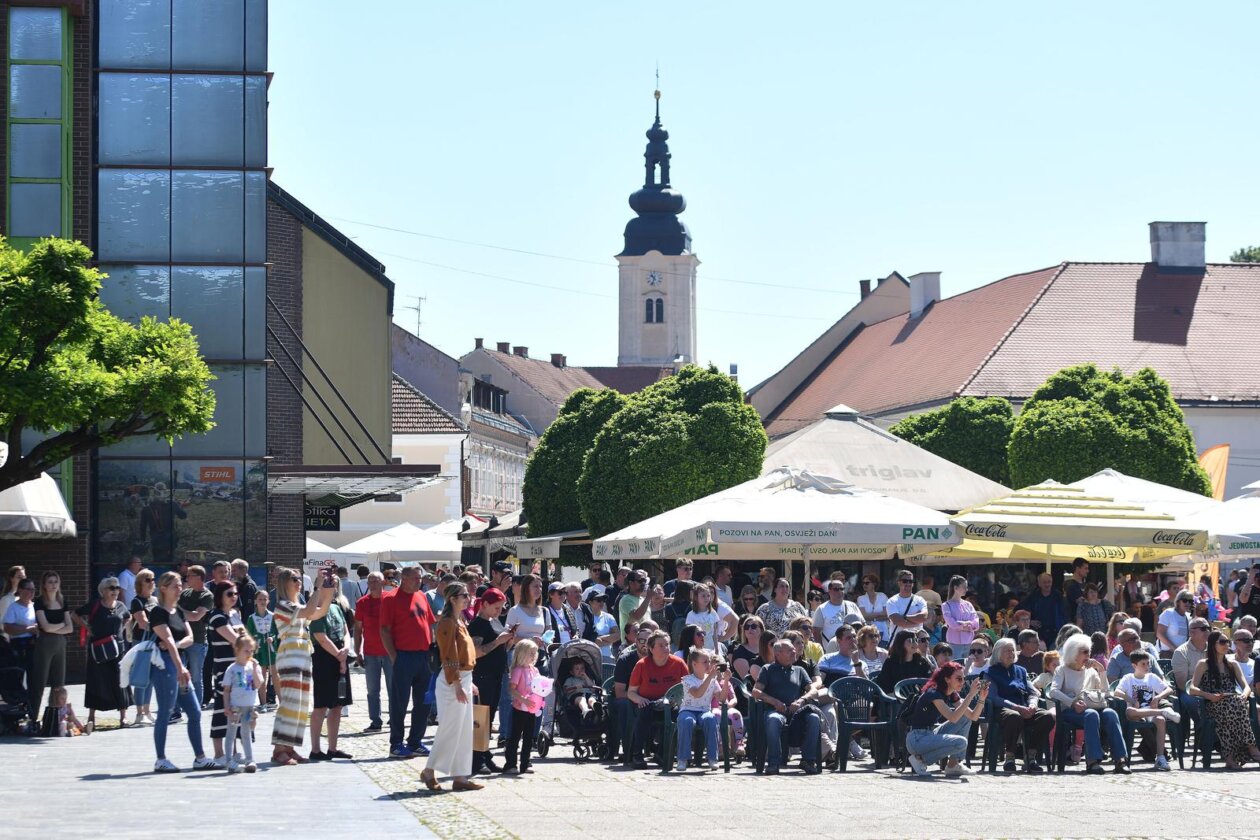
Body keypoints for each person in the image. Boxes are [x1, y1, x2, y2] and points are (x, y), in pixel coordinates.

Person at [148, 572, 214, 772]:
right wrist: (179, 665)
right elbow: (165, 640)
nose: (180, 589)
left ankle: (200, 758)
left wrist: (174, 647)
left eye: (180, 585)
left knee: (194, 712)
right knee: (165, 712)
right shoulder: (157, 612)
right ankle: (161, 759)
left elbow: (190, 638)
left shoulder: (178, 611)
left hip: (179, 662)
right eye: (176, 586)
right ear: (163, 588)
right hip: (165, 667)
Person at [420, 583, 483, 792]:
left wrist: (468, 681)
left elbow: (465, 654)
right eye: (464, 595)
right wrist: (457, 683)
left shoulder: (460, 621)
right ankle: (429, 770)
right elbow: (448, 655)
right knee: (449, 728)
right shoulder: (447, 623)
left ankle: (460, 776)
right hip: (451, 682)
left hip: (463, 678)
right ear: (453, 599)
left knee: (464, 731)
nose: (468, 598)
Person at [270, 565, 336, 766]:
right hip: (290, 654)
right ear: (285, 583)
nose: (299, 583)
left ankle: (289, 747)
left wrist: (328, 589)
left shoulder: (295, 606)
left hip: (302, 654)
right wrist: (316, 588)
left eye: (299, 579)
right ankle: (279, 749)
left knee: (300, 704)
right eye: (295, 580)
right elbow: (309, 610)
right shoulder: (282, 605)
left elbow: (319, 611)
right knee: (290, 702)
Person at [381, 565, 438, 760]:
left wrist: (431, 648)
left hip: (423, 656)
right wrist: (394, 656)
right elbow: (385, 630)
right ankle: (396, 743)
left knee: (423, 702)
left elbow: (429, 623)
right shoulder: (390, 599)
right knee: (399, 702)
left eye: (419, 578)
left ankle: (415, 741)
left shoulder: (421, 596)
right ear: (404, 578)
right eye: (414, 578)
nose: (418, 581)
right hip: (403, 656)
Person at [1050, 633, 1128, 774]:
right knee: (1091, 715)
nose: (1088, 655)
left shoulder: (1091, 671)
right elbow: (1053, 691)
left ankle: (1120, 760)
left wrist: (1102, 671)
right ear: (1074, 653)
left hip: (1092, 706)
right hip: (1070, 711)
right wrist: (1073, 703)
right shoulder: (1062, 670)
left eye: (1089, 651)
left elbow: (1105, 692)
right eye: (1084, 652)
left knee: (1111, 714)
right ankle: (1092, 761)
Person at [1188, 629, 1260, 770]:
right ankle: (1251, 748)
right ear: (1213, 644)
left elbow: (1246, 687)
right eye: (1222, 642)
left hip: (1232, 702)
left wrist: (1244, 695)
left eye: (1227, 642)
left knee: (1234, 704)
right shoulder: (1203, 664)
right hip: (1211, 703)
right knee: (1233, 707)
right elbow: (1192, 689)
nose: (1226, 645)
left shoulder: (1232, 664)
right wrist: (1210, 696)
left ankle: (1231, 757)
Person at [752, 639, 824, 774]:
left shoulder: (799, 670)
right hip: (776, 711)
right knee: (773, 720)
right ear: (778, 654)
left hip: (797, 712)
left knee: (814, 718)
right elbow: (756, 691)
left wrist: (802, 700)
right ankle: (774, 763)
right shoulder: (767, 669)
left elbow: (813, 690)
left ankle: (808, 761)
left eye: (794, 650)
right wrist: (774, 702)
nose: (794, 652)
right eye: (790, 650)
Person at [905, 661, 988, 777]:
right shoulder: (933, 693)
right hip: (917, 739)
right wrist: (970, 695)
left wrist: (981, 698)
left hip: (930, 734)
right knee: (961, 742)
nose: (962, 682)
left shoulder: (951, 693)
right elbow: (953, 718)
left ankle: (953, 765)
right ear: (947, 679)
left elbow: (973, 717)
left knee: (965, 719)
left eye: (963, 679)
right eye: (959, 679)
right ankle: (920, 759)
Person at [73, 577, 132, 731]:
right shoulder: (95, 605)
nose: (115, 591)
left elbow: (128, 617)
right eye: (112, 588)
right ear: (103, 590)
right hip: (98, 649)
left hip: (117, 649)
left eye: (117, 588)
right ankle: (91, 716)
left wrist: (121, 631)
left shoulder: (121, 606)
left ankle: (123, 716)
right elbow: (75, 614)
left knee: (120, 680)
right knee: (95, 680)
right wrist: (86, 627)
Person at [987, 638, 1053, 773]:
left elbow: (1032, 692)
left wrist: (1033, 705)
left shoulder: (1021, 671)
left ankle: (1030, 756)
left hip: (1024, 707)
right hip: (1003, 710)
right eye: (1007, 651)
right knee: (1014, 717)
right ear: (998, 653)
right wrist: (1016, 707)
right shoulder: (990, 672)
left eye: (1012, 650)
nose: (1011, 653)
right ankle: (1010, 757)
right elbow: (993, 697)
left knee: (1047, 716)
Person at [626, 630, 689, 769]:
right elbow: (631, 692)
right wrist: (640, 699)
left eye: (667, 644)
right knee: (644, 712)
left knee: (677, 714)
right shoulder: (641, 665)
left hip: (669, 703)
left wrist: (677, 700)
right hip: (646, 702)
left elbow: (688, 688)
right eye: (661, 645)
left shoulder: (678, 664)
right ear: (651, 648)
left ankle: (662, 753)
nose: (666, 648)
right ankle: (637, 754)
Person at [468, 587, 512, 774]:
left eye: (501, 608)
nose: (499, 611)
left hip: (496, 675)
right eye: (496, 607)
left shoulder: (494, 621)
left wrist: (508, 639)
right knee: (481, 719)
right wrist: (498, 642)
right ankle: (476, 760)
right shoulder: (478, 624)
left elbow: (502, 646)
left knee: (489, 718)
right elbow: (476, 652)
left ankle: (485, 755)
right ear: (485, 605)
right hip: (482, 676)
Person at [1113, 650, 1178, 771]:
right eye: (1143, 664)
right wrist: (1131, 700)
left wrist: (1157, 697)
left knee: (1160, 720)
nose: (1147, 666)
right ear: (1134, 666)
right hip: (1136, 711)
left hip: (1150, 711)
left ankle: (1160, 757)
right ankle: (1163, 711)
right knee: (1130, 712)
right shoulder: (1128, 678)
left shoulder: (1151, 678)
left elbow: (1169, 689)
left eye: (1148, 663)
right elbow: (1117, 692)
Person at [309, 587, 353, 761]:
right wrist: (340, 657)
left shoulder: (336, 606)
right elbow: (320, 637)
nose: (333, 589)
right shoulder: (316, 610)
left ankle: (332, 748)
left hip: (340, 654)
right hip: (324, 658)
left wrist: (346, 649)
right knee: (321, 705)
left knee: (338, 704)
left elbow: (346, 630)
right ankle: (315, 749)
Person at [30, 571, 72, 716]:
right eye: (50, 582)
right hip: (44, 644)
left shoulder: (62, 601)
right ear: (44, 585)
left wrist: (56, 628)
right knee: (39, 682)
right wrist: (61, 625)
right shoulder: (40, 602)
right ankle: (33, 717)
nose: (53, 585)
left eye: (55, 581)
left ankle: (56, 717)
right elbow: (45, 627)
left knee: (58, 684)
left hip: (60, 644)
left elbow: (70, 628)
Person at [352, 572, 390, 731]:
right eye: (370, 581)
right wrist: (357, 650)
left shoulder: (390, 599)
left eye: (376, 581)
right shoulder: (362, 602)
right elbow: (358, 628)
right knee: (372, 690)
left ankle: (395, 718)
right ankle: (376, 721)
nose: (372, 584)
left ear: (383, 582)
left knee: (393, 688)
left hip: (390, 652)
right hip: (370, 652)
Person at [675, 646, 722, 771]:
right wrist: (710, 677)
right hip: (687, 710)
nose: (708, 664)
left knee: (711, 720)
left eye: (709, 661)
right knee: (687, 721)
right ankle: (683, 759)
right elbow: (697, 693)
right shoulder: (687, 680)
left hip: (704, 710)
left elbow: (722, 698)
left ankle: (713, 758)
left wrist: (726, 680)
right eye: (705, 662)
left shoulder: (712, 679)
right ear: (695, 664)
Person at [222, 633, 264, 773]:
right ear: (237, 650)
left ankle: (249, 759)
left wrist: (256, 668)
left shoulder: (252, 667)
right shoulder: (232, 669)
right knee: (231, 732)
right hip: (235, 706)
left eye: (251, 651)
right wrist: (226, 706)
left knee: (247, 732)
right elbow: (227, 690)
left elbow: (258, 685)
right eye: (246, 651)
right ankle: (229, 760)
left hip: (249, 705)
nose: (249, 654)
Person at [504, 638, 544, 775]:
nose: (533, 656)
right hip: (519, 708)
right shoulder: (518, 670)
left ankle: (525, 763)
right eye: (530, 653)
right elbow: (511, 689)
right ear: (521, 654)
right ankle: (510, 764)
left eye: (535, 653)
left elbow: (539, 686)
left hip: (532, 708)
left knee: (529, 737)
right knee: (514, 736)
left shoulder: (535, 670)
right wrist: (522, 699)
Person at [177, 565, 212, 708]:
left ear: (199, 578)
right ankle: (178, 708)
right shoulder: (185, 594)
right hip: (182, 640)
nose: (187, 578)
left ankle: (196, 707)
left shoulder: (207, 596)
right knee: (179, 675)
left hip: (197, 641)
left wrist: (177, 611)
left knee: (196, 677)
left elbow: (196, 616)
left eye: (190, 575)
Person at [128, 570, 158, 725]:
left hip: (155, 642)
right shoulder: (136, 601)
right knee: (141, 677)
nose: (152, 582)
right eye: (148, 579)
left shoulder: (155, 600)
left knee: (151, 678)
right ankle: (139, 713)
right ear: (140, 583)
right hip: (141, 642)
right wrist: (161, 627)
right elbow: (142, 623)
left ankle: (147, 711)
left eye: (153, 579)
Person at [1171, 617, 1210, 718]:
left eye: (1208, 628)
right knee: (1197, 705)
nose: (1207, 631)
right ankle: (1201, 731)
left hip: (1212, 689)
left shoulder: (1214, 648)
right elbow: (1182, 685)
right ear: (1191, 632)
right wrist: (1204, 694)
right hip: (1190, 691)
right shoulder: (1181, 653)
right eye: (1203, 628)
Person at [876, 629, 933, 694]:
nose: (915, 644)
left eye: (916, 640)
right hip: (895, 699)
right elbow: (883, 685)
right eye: (910, 641)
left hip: (917, 699)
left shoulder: (921, 661)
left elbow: (929, 680)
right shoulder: (891, 662)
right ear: (901, 643)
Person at [244, 590, 275, 711]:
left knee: (274, 677)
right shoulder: (251, 618)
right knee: (261, 677)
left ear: (268, 601)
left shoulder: (273, 616)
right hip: (259, 651)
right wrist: (254, 642)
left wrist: (272, 638)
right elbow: (249, 635)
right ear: (256, 601)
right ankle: (263, 703)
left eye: (265, 599)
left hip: (270, 650)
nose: (262, 602)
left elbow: (277, 633)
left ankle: (273, 700)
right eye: (260, 599)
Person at [1020, 573, 1068, 650]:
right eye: (1044, 582)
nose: (1047, 584)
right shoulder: (1033, 596)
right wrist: (1030, 621)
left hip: (1055, 633)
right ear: (1039, 583)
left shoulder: (1058, 596)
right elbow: (1019, 610)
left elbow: (1065, 615)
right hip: (1038, 634)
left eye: (1049, 582)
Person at [812, 578, 863, 648]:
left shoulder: (852, 605)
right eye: (836, 589)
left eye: (842, 589)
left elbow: (863, 625)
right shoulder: (822, 609)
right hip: (831, 649)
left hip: (852, 648)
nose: (839, 591)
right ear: (829, 591)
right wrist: (821, 649)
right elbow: (816, 632)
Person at [941, 575, 982, 660]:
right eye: (964, 587)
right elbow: (951, 623)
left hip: (969, 642)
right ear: (955, 588)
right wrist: (967, 626)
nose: (966, 589)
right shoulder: (946, 605)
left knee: (968, 666)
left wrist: (966, 624)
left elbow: (976, 621)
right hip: (954, 643)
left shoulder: (968, 604)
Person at [687, 582, 735, 650]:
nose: (706, 598)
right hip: (698, 650)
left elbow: (714, 634)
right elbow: (689, 636)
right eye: (703, 596)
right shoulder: (691, 615)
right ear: (695, 597)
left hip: (711, 648)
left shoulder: (713, 613)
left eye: (708, 595)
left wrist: (717, 650)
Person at [886, 570, 929, 642]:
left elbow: (924, 617)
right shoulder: (892, 601)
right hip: (898, 643)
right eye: (905, 581)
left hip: (917, 642)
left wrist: (904, 617)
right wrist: (916, 620)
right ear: (899, 582)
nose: (908, 583)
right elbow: (898, 621)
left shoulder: (920, 600)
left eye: (910, 581)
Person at [617, 570, 652, 643]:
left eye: (644, 581)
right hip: (631, 644)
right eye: (640, 580)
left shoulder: (643, 600)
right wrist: (648, 597)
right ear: (631, 583)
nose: (643, 583)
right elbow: (636, 617)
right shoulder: (626, 599)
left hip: (644, 642)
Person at [1157, 591, 1194, 655]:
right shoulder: (1168, 613)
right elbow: (1160, 634)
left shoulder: (1189, 617)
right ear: (1178, 602)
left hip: (1182, 654)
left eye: (1190, 601)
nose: (1188, 603)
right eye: (1185, 600)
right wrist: (1174, 648)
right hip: (1166, 653)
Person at [586, 591, 619, 661]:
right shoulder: (586, 618)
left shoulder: (609, 617)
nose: (601, 603)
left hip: (608, 657)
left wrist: (599, 638)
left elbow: (617, 636)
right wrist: (609, 640)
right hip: (591, 658)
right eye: (598, 600)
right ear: (590, 602)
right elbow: (590, 640)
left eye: (603, 600)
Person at [730, 616, 765, 681]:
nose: (749, 629)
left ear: (761, 630)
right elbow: (749, 680)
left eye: (753, 626)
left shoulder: (767, 648)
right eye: (746, 627)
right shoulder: (739, 651)